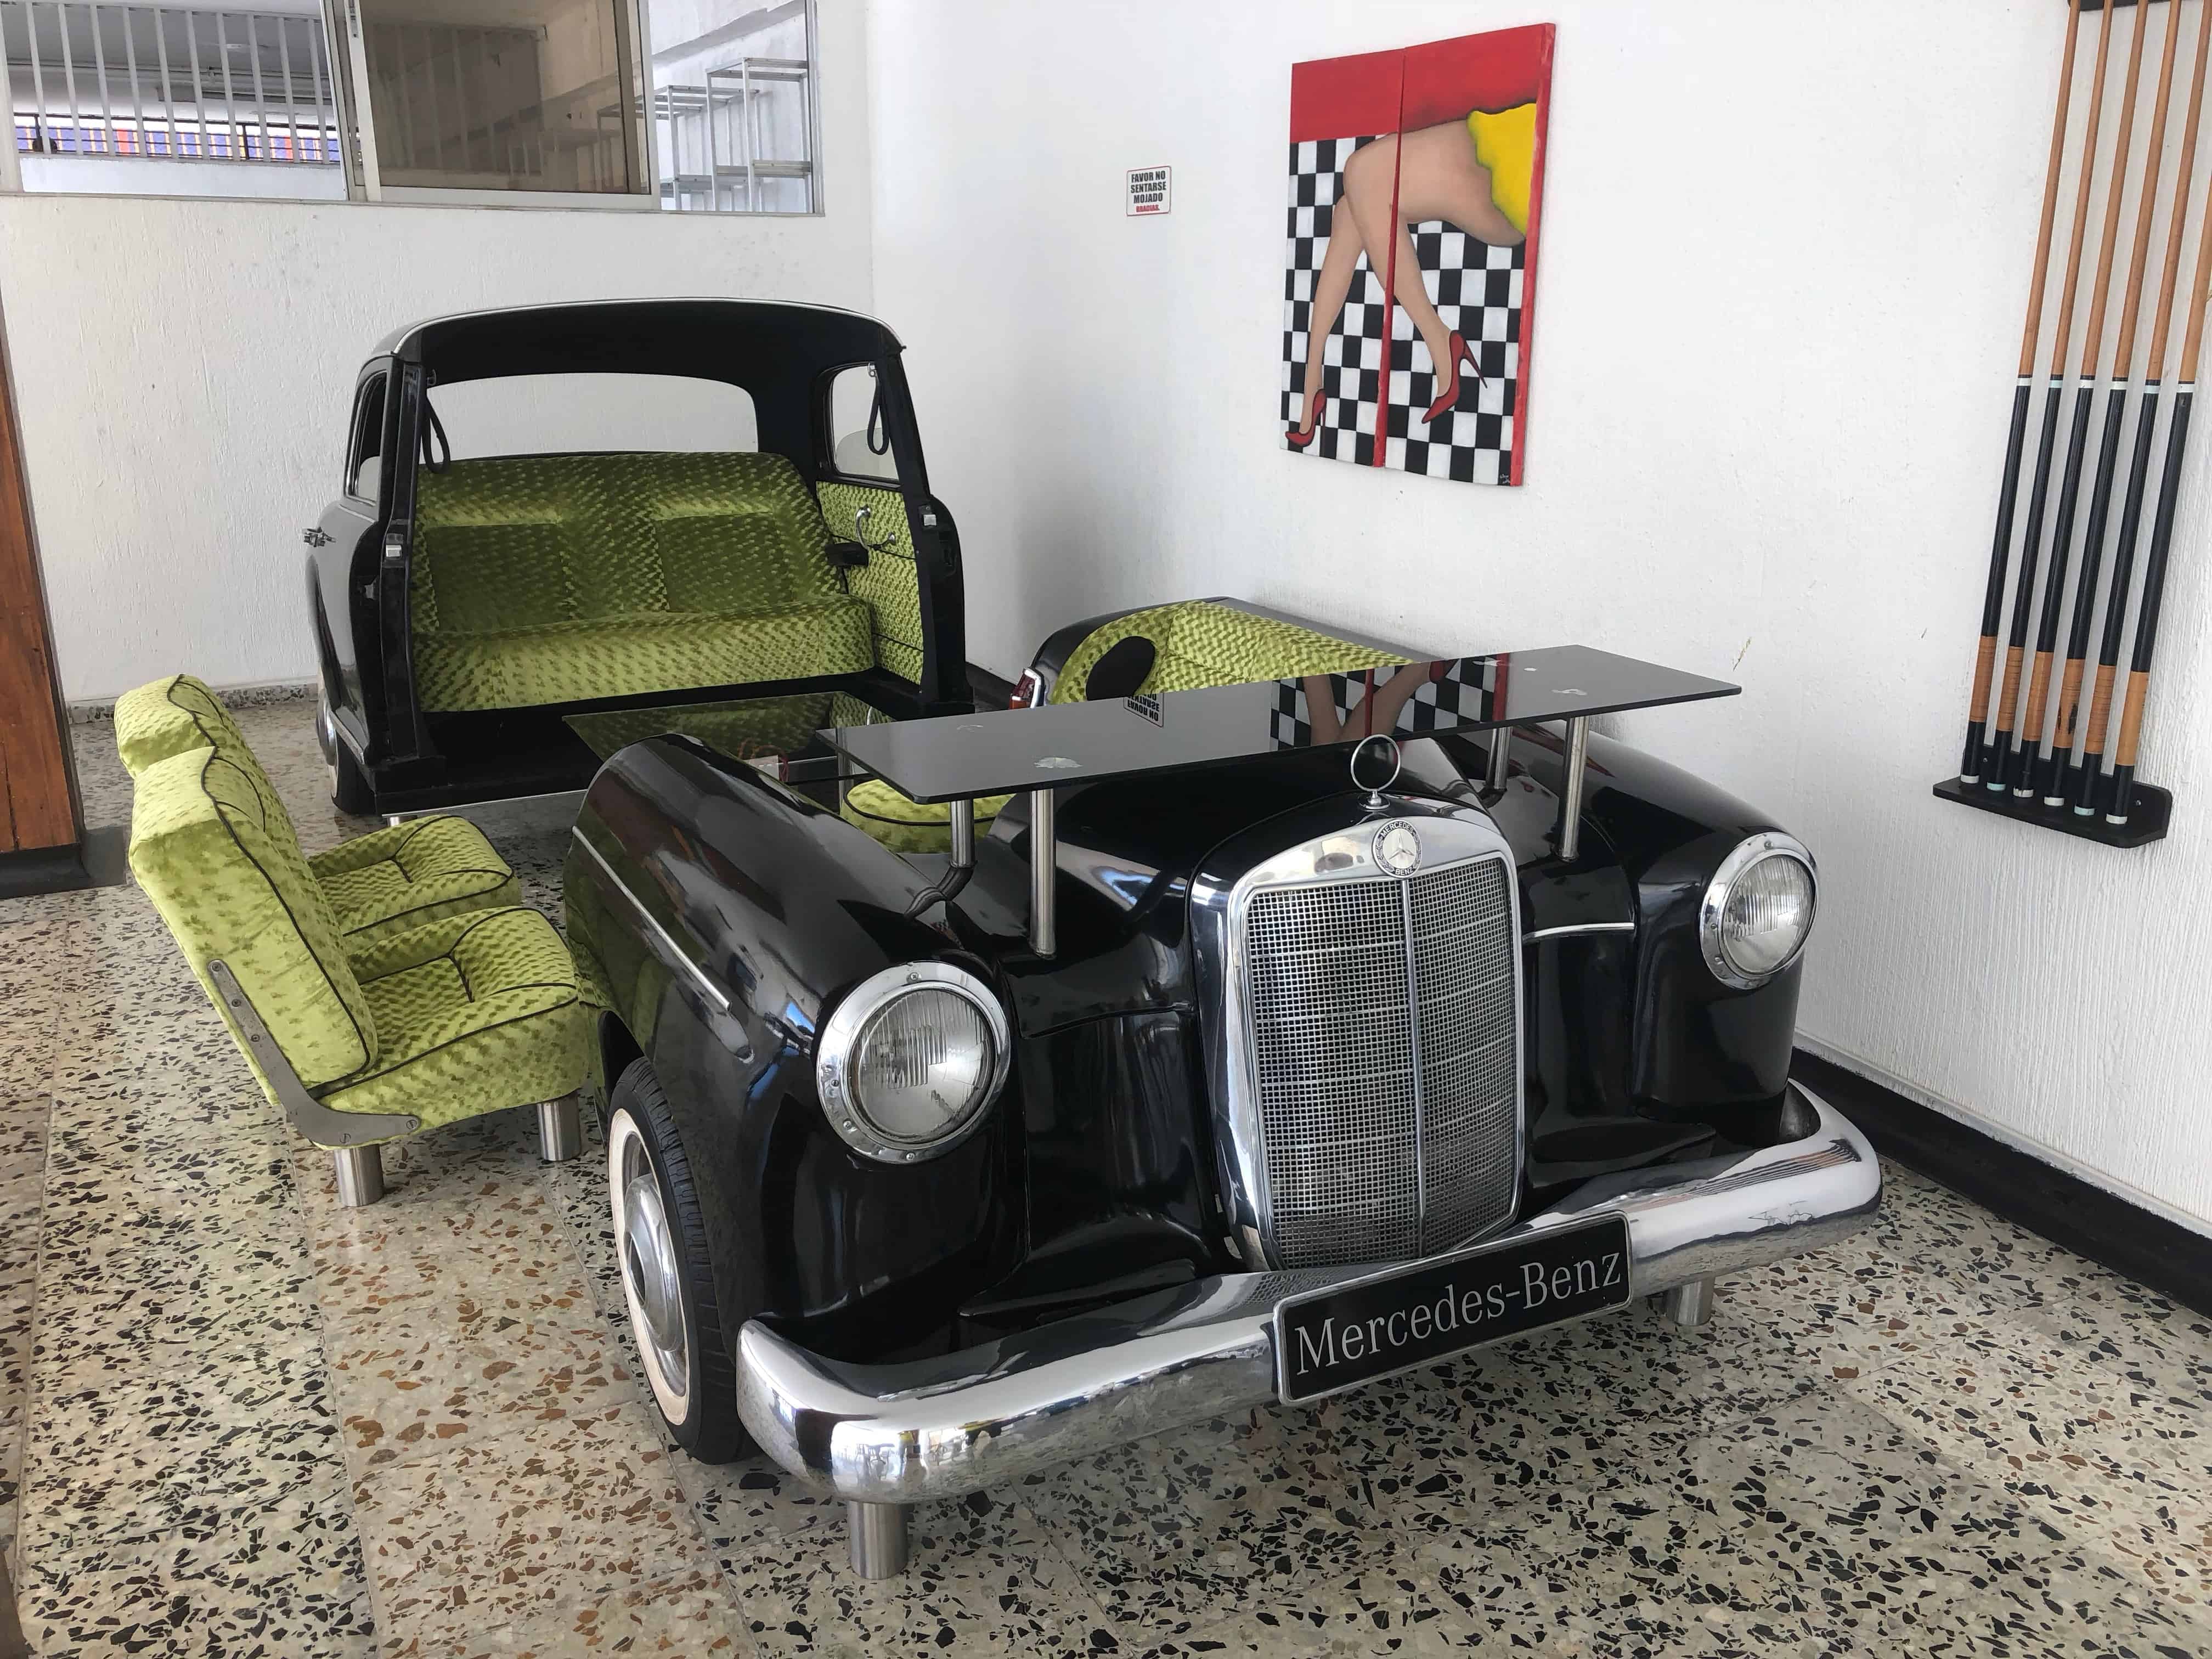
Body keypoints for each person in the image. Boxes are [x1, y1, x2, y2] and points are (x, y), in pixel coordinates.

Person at [1289, 108, 1533, 449]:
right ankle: (1311, 379)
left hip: (1517, 157)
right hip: (1508, 153)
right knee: (1351, 209)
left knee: (1363, 174)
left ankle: (1439, 341)